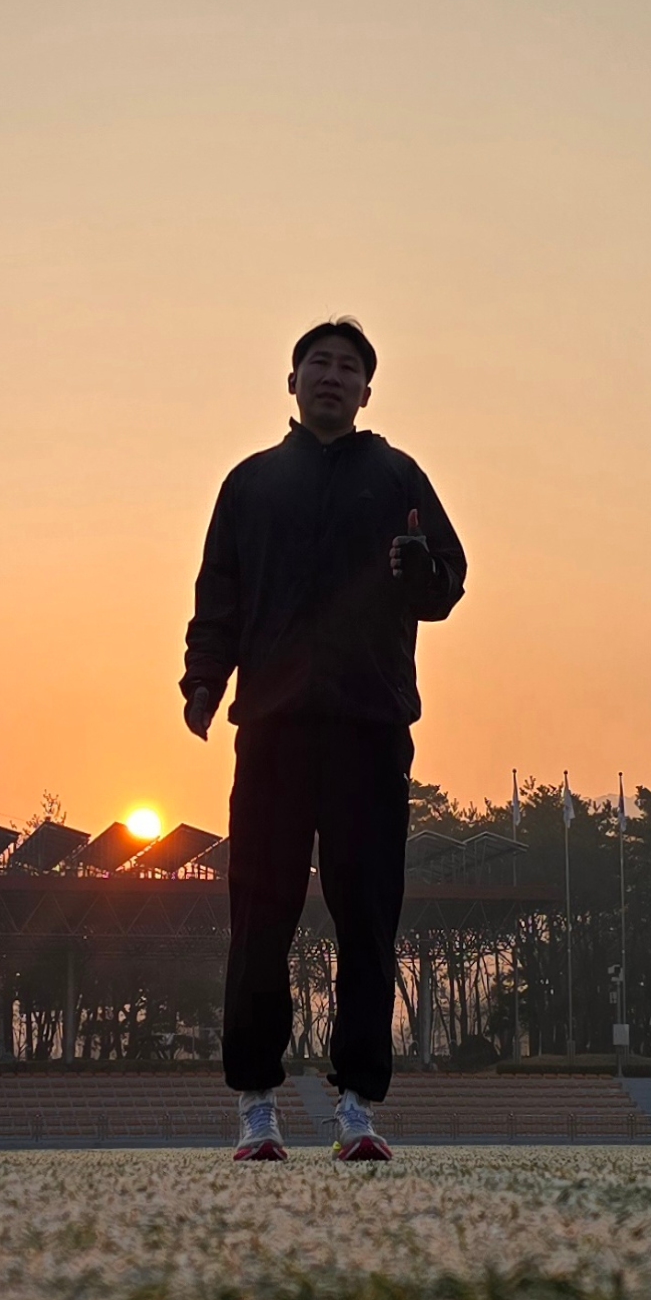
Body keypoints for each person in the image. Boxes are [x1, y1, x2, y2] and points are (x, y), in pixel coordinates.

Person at [182, 318, 467, 1161]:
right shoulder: (251, 484)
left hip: (371, 726)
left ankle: (357, 1111)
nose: (332, 377)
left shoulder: (398, 476)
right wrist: (204, 679)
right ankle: (257, 1106)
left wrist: (418, 573)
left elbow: (447, 583)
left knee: (368, 917)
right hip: (270, 726)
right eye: (319, 364)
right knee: (259, 913)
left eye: (349, 367)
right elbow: (218, 594)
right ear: (293, 379)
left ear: (368, 390)